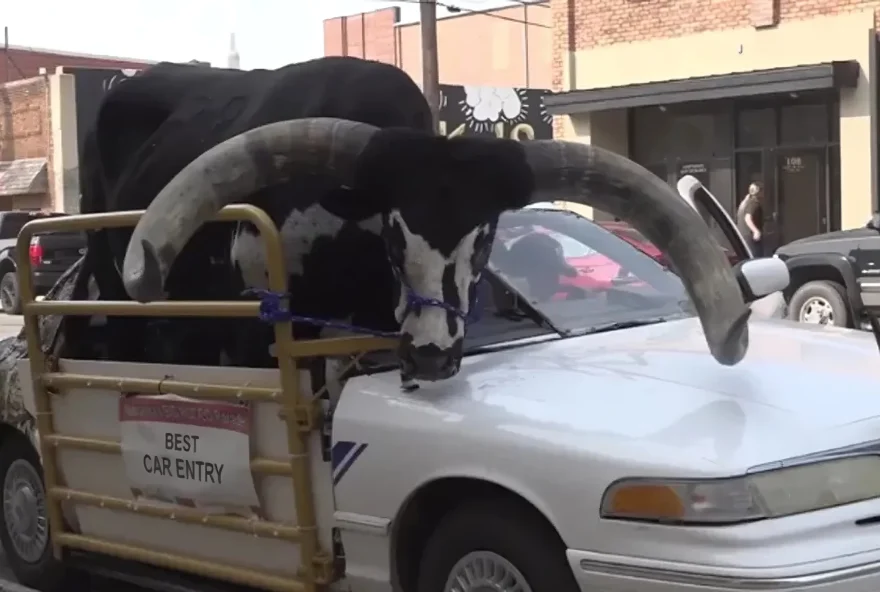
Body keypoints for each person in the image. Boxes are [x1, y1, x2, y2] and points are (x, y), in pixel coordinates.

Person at [736, 183, 764, 257]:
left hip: (745, 236)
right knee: (756, 258)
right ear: (758, 191)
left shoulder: (746, 202)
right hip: (750, 237)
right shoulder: (753, 203)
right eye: (762, 190)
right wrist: (756, 231)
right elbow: (747, 218)